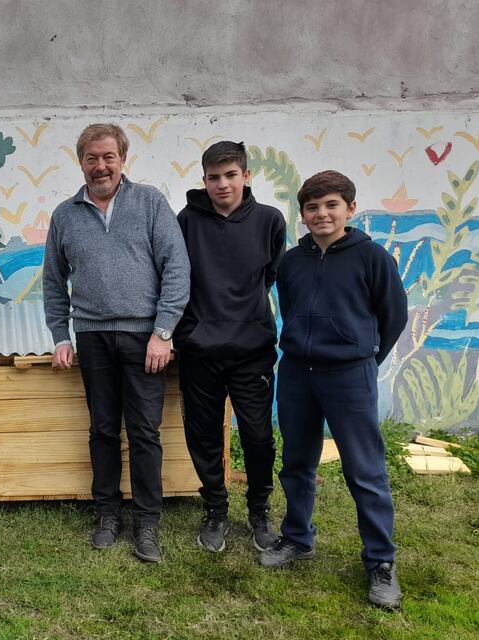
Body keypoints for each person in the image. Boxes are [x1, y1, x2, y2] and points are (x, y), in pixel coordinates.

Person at [260, 170, 408, 610]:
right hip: (298, 375)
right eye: (312, 207)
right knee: (297, 463)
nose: (321, 214)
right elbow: (288, 307)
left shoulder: (373, 258)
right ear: (302, 215)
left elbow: (393, 317)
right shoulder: (291, 261)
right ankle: (298, 538)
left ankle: (381, 562)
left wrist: (363, 360)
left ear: (350, 209)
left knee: (366, 471)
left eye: (331, 205)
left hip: (350, 376)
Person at [43, 123, 190, 563]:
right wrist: (60, 337)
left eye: (109, 156)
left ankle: (147, 522)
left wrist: (163, 332)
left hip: (144, 339)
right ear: (81, 161)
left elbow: (177, 269)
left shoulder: (150, 203)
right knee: (103, 430)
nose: (100, 165)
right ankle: (107, 513)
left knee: (144, 432)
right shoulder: (65, 215)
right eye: (92, 157)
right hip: (91, 338)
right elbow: (53, 281)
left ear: (122, 160)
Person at [174, 141, 285, 553]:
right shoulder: (186, 221)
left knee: (257, 436)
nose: (223, 184)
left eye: (231, 175)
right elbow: (175, 278)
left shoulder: (270, 221)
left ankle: (259, 509)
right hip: (199, 351)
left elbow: (271, 276)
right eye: (214, 177)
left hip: (251, 350)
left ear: (246, 176)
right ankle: (216, 510)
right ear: (204, 180)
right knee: (202, 436)